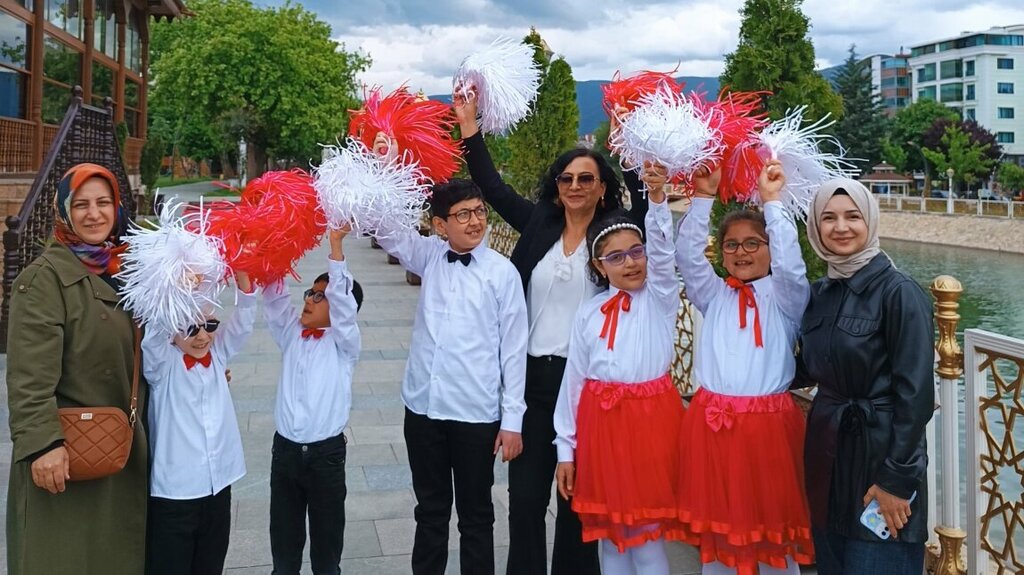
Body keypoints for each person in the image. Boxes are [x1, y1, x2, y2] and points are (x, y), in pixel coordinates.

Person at [455, 89, 650, 575]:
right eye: (567, 178)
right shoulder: (539, 221)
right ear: (557, 184)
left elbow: (646, 207)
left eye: (587, 178)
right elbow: (494, 190)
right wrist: (469, 127)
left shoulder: (617, 232)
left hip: (589, 388)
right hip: (534, 384)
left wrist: (623, 140)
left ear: (603, 185)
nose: (576, 185)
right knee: (523, 503)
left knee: (577, 505)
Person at [374, 178, 528, 575]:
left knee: (476, 516)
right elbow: (389, 230)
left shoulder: (502, 274)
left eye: (479, 211)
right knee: (430, 510)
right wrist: (389, 166)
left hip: (475, 415)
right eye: (463, 215)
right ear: (440, 225)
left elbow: (513, 352)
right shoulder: (428, 257)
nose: (475, 221)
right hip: (423, 409)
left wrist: (512, 422)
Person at [669, 163, 814, 575]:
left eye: (753, 244)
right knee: (718, 536)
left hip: (767, 431)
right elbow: (687, 257)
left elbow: (792, 265)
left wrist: (772, 205)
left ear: (769, 249)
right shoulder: (713, 294)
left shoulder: (786, 297)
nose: (742, 252)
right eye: (731, 245)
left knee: (771, 533)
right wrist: (703, 198)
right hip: (712, 427)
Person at [6, 163, 148, 573]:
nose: (94, 214)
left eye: (104, 202)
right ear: (64, 213)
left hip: (117, 451)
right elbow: (29, 378)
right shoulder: (44, 281)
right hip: (65, 457)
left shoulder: (123, 272)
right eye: (81, 204)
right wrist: (42, 446)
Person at [799, 179, 934, 574]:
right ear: (815, 228)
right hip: (828, 465)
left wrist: (896, 481)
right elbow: (807, 366)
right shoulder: (820, 293)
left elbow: (916, 396)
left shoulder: (899, 292)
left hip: (880, 463)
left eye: (852, 216)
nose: (841, 227)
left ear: (870, 221)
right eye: (829, 218)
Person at [552, 170, 682, 575]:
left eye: (635, 251)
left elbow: (663, 254)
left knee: (645, 535)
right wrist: (565, 449)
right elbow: (574, 382)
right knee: (611, 539)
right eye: (616, 257)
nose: (630, 262)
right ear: (599, 265)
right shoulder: (590, 312)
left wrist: (657, 199)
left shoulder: (659, 297)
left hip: (650, 426)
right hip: (601, 430)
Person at [263, 227, 363, 575]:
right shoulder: (291, 333)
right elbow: (275, 300)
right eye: (310, 293)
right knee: (284, 550)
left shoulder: (344, 345)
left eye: (321, 297)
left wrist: (335, 244)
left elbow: (346, 309)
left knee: (326, 551)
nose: (309, 299)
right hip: (285, 454)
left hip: (326, 458)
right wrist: (273, 246)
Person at [143, 271, 256, 575]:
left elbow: (244, 321)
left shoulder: (218, 355)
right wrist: (177, 288)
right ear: (172, 332)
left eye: (210, 326)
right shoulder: (161, 365)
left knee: (210, 565)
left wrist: (244, 280)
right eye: (191, 329)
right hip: (175, 494)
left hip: (218, 485)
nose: (203, 336)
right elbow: (153, 332)